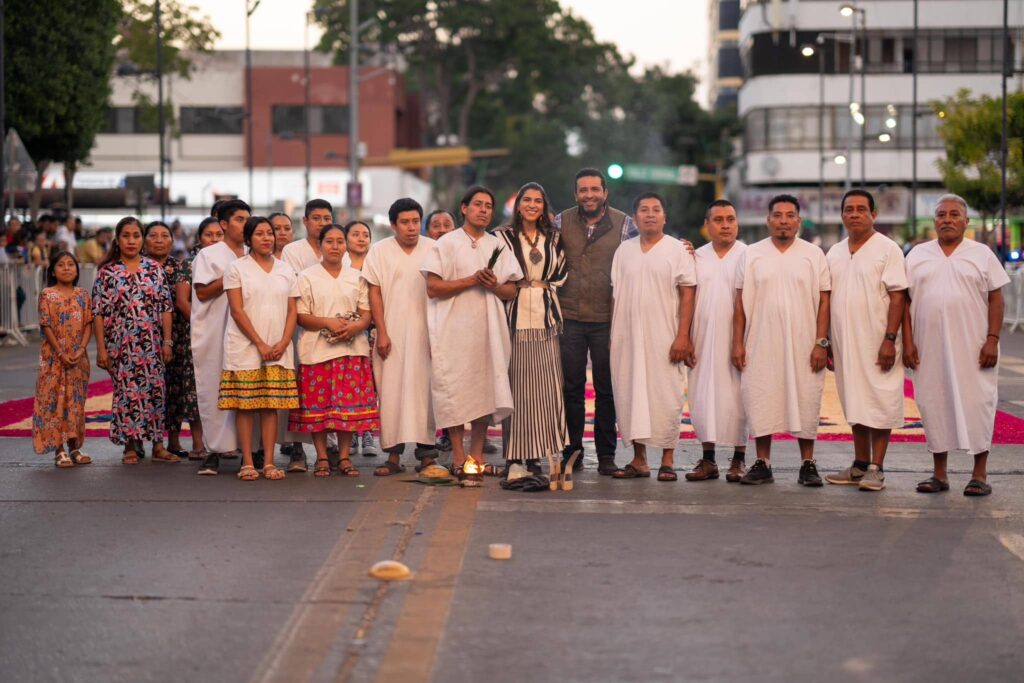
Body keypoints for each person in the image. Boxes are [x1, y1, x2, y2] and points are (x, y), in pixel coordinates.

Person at [904, 194, 1010, 497]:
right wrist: (907, 342)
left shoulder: (982, 254)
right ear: (934, 221)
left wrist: (992, 339)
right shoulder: (917, 255)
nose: (947, 219)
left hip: (975, 346)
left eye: (953, 214)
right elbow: (905, 301)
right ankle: (939, 474)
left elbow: (996, 298)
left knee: (978, 404)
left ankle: (979, 474)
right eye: (941, 214)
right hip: (928, 348)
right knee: (933, 403)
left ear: (966, 221)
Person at [422, 186, 523, 480]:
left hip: (488, 329)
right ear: (463, 209)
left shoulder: (498, 245)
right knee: (454, 389)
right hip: (453, 328)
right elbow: (433, 287)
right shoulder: (446, 243)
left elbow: (511, 290)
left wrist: (491, 284)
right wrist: (470, 280)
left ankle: (476, 455)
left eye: (488, 206)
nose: (483, 210)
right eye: (477, 204)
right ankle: (456, 454)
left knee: (483, 389)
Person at [732, 194, 831, 486]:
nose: (784, 221)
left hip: (804, 345)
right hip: (760, 342)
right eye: (778, 215)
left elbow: (824, 301)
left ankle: (807, 463)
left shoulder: (813, 255)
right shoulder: (751, 254)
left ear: (798, 221)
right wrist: (738, 342)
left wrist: (820, 343)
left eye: (790, 216)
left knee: (806, 398)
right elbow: (739, 303)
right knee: (761, 397)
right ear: (768, 220)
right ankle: (763, 462)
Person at [553, 168, 639, 475]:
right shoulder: (559, 222)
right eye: (583, 190)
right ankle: (572, 451)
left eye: (594, 190)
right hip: (569, 317)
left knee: (607, 389)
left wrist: (684, 249)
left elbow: (647, 253)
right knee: (571, 388)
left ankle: (606, 456)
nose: (589, 195)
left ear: (605, 193)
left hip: (607, 319)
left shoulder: (625, 225)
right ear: (575, 194)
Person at [824, 190, 908, 491]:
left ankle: (877, 468)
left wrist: (890, 339)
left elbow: (899, 296)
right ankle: (859, 466)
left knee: (880, 401)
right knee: (855, 401)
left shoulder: (888, 249)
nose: (855, 214)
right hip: (846, 344)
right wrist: (828, 340)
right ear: (842, 215)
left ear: (874, 214)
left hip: (879, 343)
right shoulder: (834, 252)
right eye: (849, 209)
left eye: (862, 209)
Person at [609, 193, 696, 482]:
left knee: (666, 395)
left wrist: (682, 336)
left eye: (655, 210)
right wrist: (613, 334)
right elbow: (615, 294)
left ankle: (667, 460)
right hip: (627, 338)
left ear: (664, 217)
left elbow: (688, 293)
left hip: (665, 337)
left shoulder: (677, 250)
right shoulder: (624, 250)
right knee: (631, 394)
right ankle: (639, 459)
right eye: (643, 210)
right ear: (634, 218)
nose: (649, 214)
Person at [289, 223, 378, 477]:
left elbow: (366, 312)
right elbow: (302, 316)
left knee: (347, 410)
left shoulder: (357, 276)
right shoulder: (307, 276)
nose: (335, 246)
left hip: (352, 350)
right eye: (330, 241)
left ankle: (345, 457)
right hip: (317, 352)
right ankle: (322, 458)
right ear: (321, 244)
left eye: (340, 241)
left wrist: (356, 327)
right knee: (320, 409)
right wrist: (328, 322)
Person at [494, 183, 569, 478]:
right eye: (527, 199)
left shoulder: (554, 237)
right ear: (518, 204)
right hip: (513, 318)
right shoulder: (501, 237)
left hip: (546, 318)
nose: (532, 205)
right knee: (516, 389)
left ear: (544, 205)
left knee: (546, 389)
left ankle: (538, 453)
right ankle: (515, 455)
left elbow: (561, 273)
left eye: (538, 200)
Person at [219, 216, 300, 481]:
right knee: (245, 406)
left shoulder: (286, 269)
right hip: (245, 346)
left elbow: (292, 310)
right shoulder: (237, 268)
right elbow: (237, 309)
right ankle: (248, 462)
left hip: (279, 346)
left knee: (270, 406)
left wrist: (283, 342)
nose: (267, 238)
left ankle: (268, 462)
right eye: (260, 234)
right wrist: (260, 343)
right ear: (249, 239)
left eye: (270, 233)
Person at [364, 199, 439, 476]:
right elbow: (374, 293)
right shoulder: (379, 251)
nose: (411, 228)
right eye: (405, 222)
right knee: (391, 392)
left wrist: (437, 335)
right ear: (393, 224)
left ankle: (427, 454)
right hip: (391, 333)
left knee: (426, 393)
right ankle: (393, 456)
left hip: (426, 333)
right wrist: (381, 331)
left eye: (416, 222)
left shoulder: (434, 249)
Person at [92, 217, 174, 465]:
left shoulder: (153, 269)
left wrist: (167, 342)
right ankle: (129, 445)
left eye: (136, 236)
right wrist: (101, 349)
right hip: (121, 346)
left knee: (156, 393)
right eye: (126, 236)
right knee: (127, 395)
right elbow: (98, 312)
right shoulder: (107, 272)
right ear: (118, 240)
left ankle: (158, 445)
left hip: (152, 344)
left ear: (142, 239)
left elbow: (166, 307)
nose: (131, 241)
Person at [686, 200, 748, 483]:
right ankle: (708, 459)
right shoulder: (694, 257)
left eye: (731, 219)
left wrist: (742, 342)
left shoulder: (750, 255)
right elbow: (684, 300)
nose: (725, 225)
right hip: (702, 338)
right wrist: (685, 337)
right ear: (707, 224)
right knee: (703, 396)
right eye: (719, 220)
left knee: (739, 397)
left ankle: (739, 459)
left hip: (740, 340)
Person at [191, 199, 250, 475]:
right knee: (214, 387)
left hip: (248, 332)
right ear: (224, 224)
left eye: (247, 219)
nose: (245, 224)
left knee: (249, 391)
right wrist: (233, 274)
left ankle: (252, 451)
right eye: (239, 219)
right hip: (216, 330)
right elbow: (202, 292)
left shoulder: (254, 252)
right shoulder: (209, 255)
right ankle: (213, 450)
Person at [280, 199, 338, 468]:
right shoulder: (293, 251)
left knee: (332, 387)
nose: (322, 223)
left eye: (327, 218)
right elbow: (296, 287)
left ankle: (333, 446)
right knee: (298, 388)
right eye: (316, 218)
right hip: (300, 325)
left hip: (335, 329)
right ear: (305, 221)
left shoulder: (339, 246)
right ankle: (296, 450)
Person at [144, 221, 206, 461]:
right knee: (144, 390)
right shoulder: (137, 268)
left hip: (179, 336)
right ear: (144, 240)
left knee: (176, 389)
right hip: (143, 338)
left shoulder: (179, 268)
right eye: (153, 235)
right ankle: (137, 441)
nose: (159, 240)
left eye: (164, 236)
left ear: (172, 241)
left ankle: (173, 440)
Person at [32, 252, 93, 467]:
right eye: (61, 265)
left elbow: (88, 324)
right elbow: (45, 324)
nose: (66, 268)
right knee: (54, 401)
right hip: (53, 358)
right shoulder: (47, 295)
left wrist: (81, 349)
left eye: (70, 264)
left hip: (78, 359)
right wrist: (60, 352)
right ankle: (58, 449)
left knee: (76, 402)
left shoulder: (83, 295)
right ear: (53, 271)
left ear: (77, 270)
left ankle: (75, 447)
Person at [341, 219, 379, 458]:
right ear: (346, 239)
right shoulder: (337, 264)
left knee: (369, 383)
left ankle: (366, 432)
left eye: (365, 234)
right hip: (343, 328)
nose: (361, 238)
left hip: (372, 329)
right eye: (355, 234)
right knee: (347, 383)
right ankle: (351, 433)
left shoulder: (375, 264)